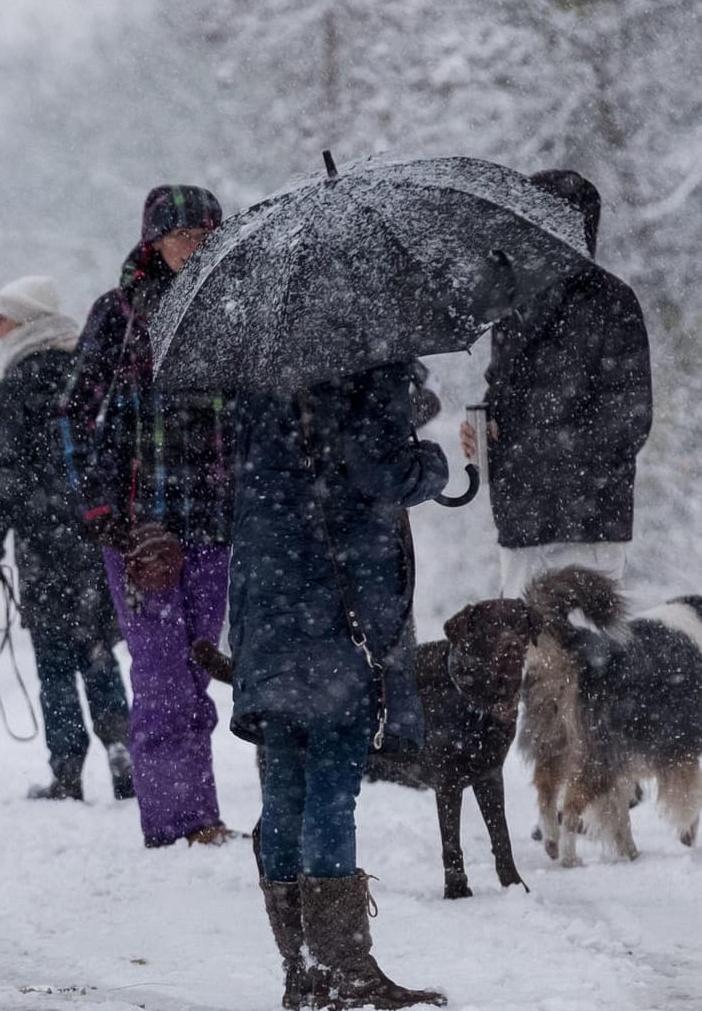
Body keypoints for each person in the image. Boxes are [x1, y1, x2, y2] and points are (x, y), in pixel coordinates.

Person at [231, 362, 449, 1010]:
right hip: (339, 601)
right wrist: (431, 459)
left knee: (285, 782)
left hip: (268, 597)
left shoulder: (257, 366)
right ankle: (343, 970)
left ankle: (303, 969)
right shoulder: (367, 358)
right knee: (331, 776)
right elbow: (383, 472)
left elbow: (243, 482)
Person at [60, 185, 235, 848]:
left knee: (198, 666)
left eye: (208, 232)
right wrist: (99, 505)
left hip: (216, 521)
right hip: (140, 530)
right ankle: (174, 821)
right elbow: (75, 410)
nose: (197, 245)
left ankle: (203, 813)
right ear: (154, 241)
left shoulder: (233, 310)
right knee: (160, 672)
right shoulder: (119, 315)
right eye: (185, 233)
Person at [0, 275, 133, 802]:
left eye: (3, 318)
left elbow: (6, 475)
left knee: (54, 659)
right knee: (98, 648)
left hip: (42, 540)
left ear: (25, 322)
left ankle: (66, 770)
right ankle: (121, 749)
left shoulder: (15, 385)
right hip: (96, 529)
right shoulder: (88, 370)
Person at [460, 169, 651, 598]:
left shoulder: (611, 302)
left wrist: (533, 450)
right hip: (521, 524)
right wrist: (484, 428)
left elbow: (629, 419)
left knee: (584, 659)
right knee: (522, 663)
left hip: (587, 528)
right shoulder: (513, 304)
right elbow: (503, 391)